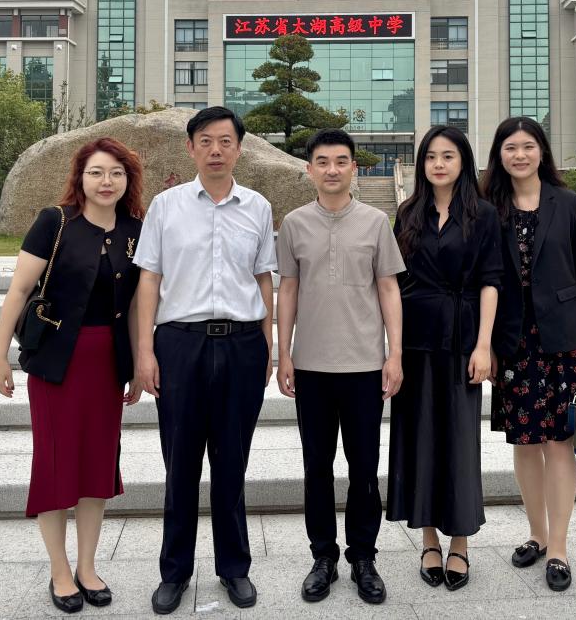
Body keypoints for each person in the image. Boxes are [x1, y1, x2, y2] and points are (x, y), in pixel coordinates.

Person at [132, 106, 277, 614]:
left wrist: (267, 345)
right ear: (190, 148)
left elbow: (263, 278)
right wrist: (145, 350)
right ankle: (174, 572)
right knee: (180, 465)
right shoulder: (166, 206)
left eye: (225, 141)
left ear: (239, 148)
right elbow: (149, 279)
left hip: (242, 344)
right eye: (206, 141)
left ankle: (234, 568)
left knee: (233, 463)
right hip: (180, 345)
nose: (216, 150)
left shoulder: (257, 207)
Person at [0, 137, 145, 613]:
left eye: (116, 173)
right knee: (56, 465)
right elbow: (19, 290)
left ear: (128, 180)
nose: (106, 181)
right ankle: (59, 571)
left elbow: (135, 305)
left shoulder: (135, 230)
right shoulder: (54, 222)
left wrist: (138, 365)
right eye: (96, 172)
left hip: (107, 364)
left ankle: (87, 566)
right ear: (80, 177)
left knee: (98, 466)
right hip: (57, 364)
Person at [275, 129, 405, 605]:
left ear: (354, 167)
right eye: (323, 162)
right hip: (311, 365)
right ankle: (323, 557)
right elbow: (288, 288)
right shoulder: (294, 224)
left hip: (364, 365)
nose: (332, 169)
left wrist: (394, 354)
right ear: (309, 169)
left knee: (364, 468)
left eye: (341, 161)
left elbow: (388, 288)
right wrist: (284, 353)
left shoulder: (376, 222)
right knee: (316, 467)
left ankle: (364, 557)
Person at [480, 116, 576, 593]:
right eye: (510, 147)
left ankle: (559, 547)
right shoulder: (489, 209)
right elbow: (485, 280)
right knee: (525, 442)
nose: (519, 155)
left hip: (564, 339)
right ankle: (536, 533)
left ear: (542, 152)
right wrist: (487, 344)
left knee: (558, 441)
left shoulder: (567, 203)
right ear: (499, 155)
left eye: (528, 146)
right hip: (514, 343)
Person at [386, 125, 501, 592]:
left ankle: (461, 542)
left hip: (461, 338)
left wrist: (484, 345)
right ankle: (429, 539)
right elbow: (392, 282)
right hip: (415, 338)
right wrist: (392, 349)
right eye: (431, 156)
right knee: (418, 439)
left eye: (448, 155)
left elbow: (491, 281)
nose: (438, 164)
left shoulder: (483, 214)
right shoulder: (408, 212)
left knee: (458, 440)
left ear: (463, 162)